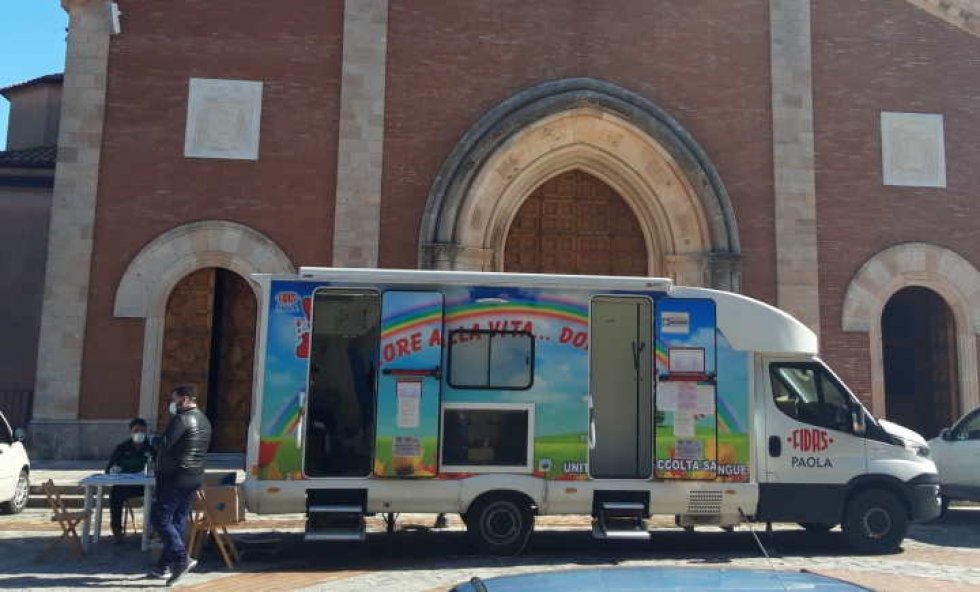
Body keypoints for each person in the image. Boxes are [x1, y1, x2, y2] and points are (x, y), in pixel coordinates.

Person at [148, 385, 212, 586]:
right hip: (194, 476)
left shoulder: (182, 419)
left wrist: (153, 439)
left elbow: (165, 444)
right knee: (177, 520)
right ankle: (162, 566)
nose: (172, 404)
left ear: (184, 400)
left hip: (176, 476)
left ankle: (181, 558)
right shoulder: (204, 420)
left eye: (174, 399)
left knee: (159, 518)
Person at [105, 418, 155, 543]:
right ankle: (117, 530)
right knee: (115, 495)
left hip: (145, 487)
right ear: (130, 432)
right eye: (136, 430)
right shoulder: (122, 448)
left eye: (142, 431)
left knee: (156, 497)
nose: (139, 433)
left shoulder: (151, 449)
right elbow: (109, 468)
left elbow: (158, 466)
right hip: (125, 486)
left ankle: (151, 529)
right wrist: (113, 469)